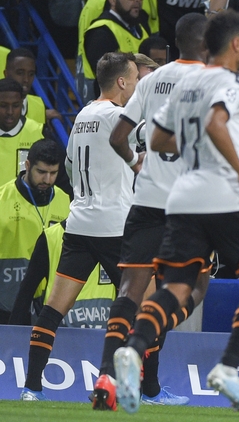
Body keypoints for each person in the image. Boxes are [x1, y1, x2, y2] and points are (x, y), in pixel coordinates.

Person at [113, 10, 239, 417]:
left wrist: (194, 150)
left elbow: (159, 138)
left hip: (183, 197)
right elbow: (216, 122)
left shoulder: (186, 84)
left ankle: (132, 349)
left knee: (177, 287)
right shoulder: (231, 83)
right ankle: (228, 367)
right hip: (225, 196)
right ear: (235, 43)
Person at [90, 13, 209, 411]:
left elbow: (118, 136)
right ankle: (139, 346)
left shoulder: (152, 79)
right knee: (192, 289)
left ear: (176, 43)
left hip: (146, 201)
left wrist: (137, 164)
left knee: (130, 291)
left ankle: (107, 374)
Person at [20, 52, 139, 402]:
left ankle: (31, 388)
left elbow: (71, 167)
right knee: (142, 309)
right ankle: (124, 383)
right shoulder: (118, 116)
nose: (135, 85)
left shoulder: (84, 114)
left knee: (52, 309)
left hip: (80, 225)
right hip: (116, 227)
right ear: (121, 82)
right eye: (133, 79)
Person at [0, 139, 70, 324]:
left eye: (53, 173)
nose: (47, 180)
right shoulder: (2, 199)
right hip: (7, 303)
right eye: (41, 172)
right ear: (28, 165)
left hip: (48, 307)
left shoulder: (66, 202)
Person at [9, 221, 116, 328]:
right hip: (58, 337)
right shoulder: (51, 237)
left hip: (103, 337)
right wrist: (12, 337)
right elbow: (26, 292)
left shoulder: (118, 238)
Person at [78, 0, 152, 101]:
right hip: (111, 109)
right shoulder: (101, 31)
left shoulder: (141, 26)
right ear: (112, 0)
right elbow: (107, 77)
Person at [0, 79, 44, 186]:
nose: (10, 112)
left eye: (15, 106)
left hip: (26, 201)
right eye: (3, 106)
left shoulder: (38, 133)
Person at [3, 48, 62, 128]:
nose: (26, 79)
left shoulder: (39, 105)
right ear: (6, 74)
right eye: (20, 73)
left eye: (31, 74)